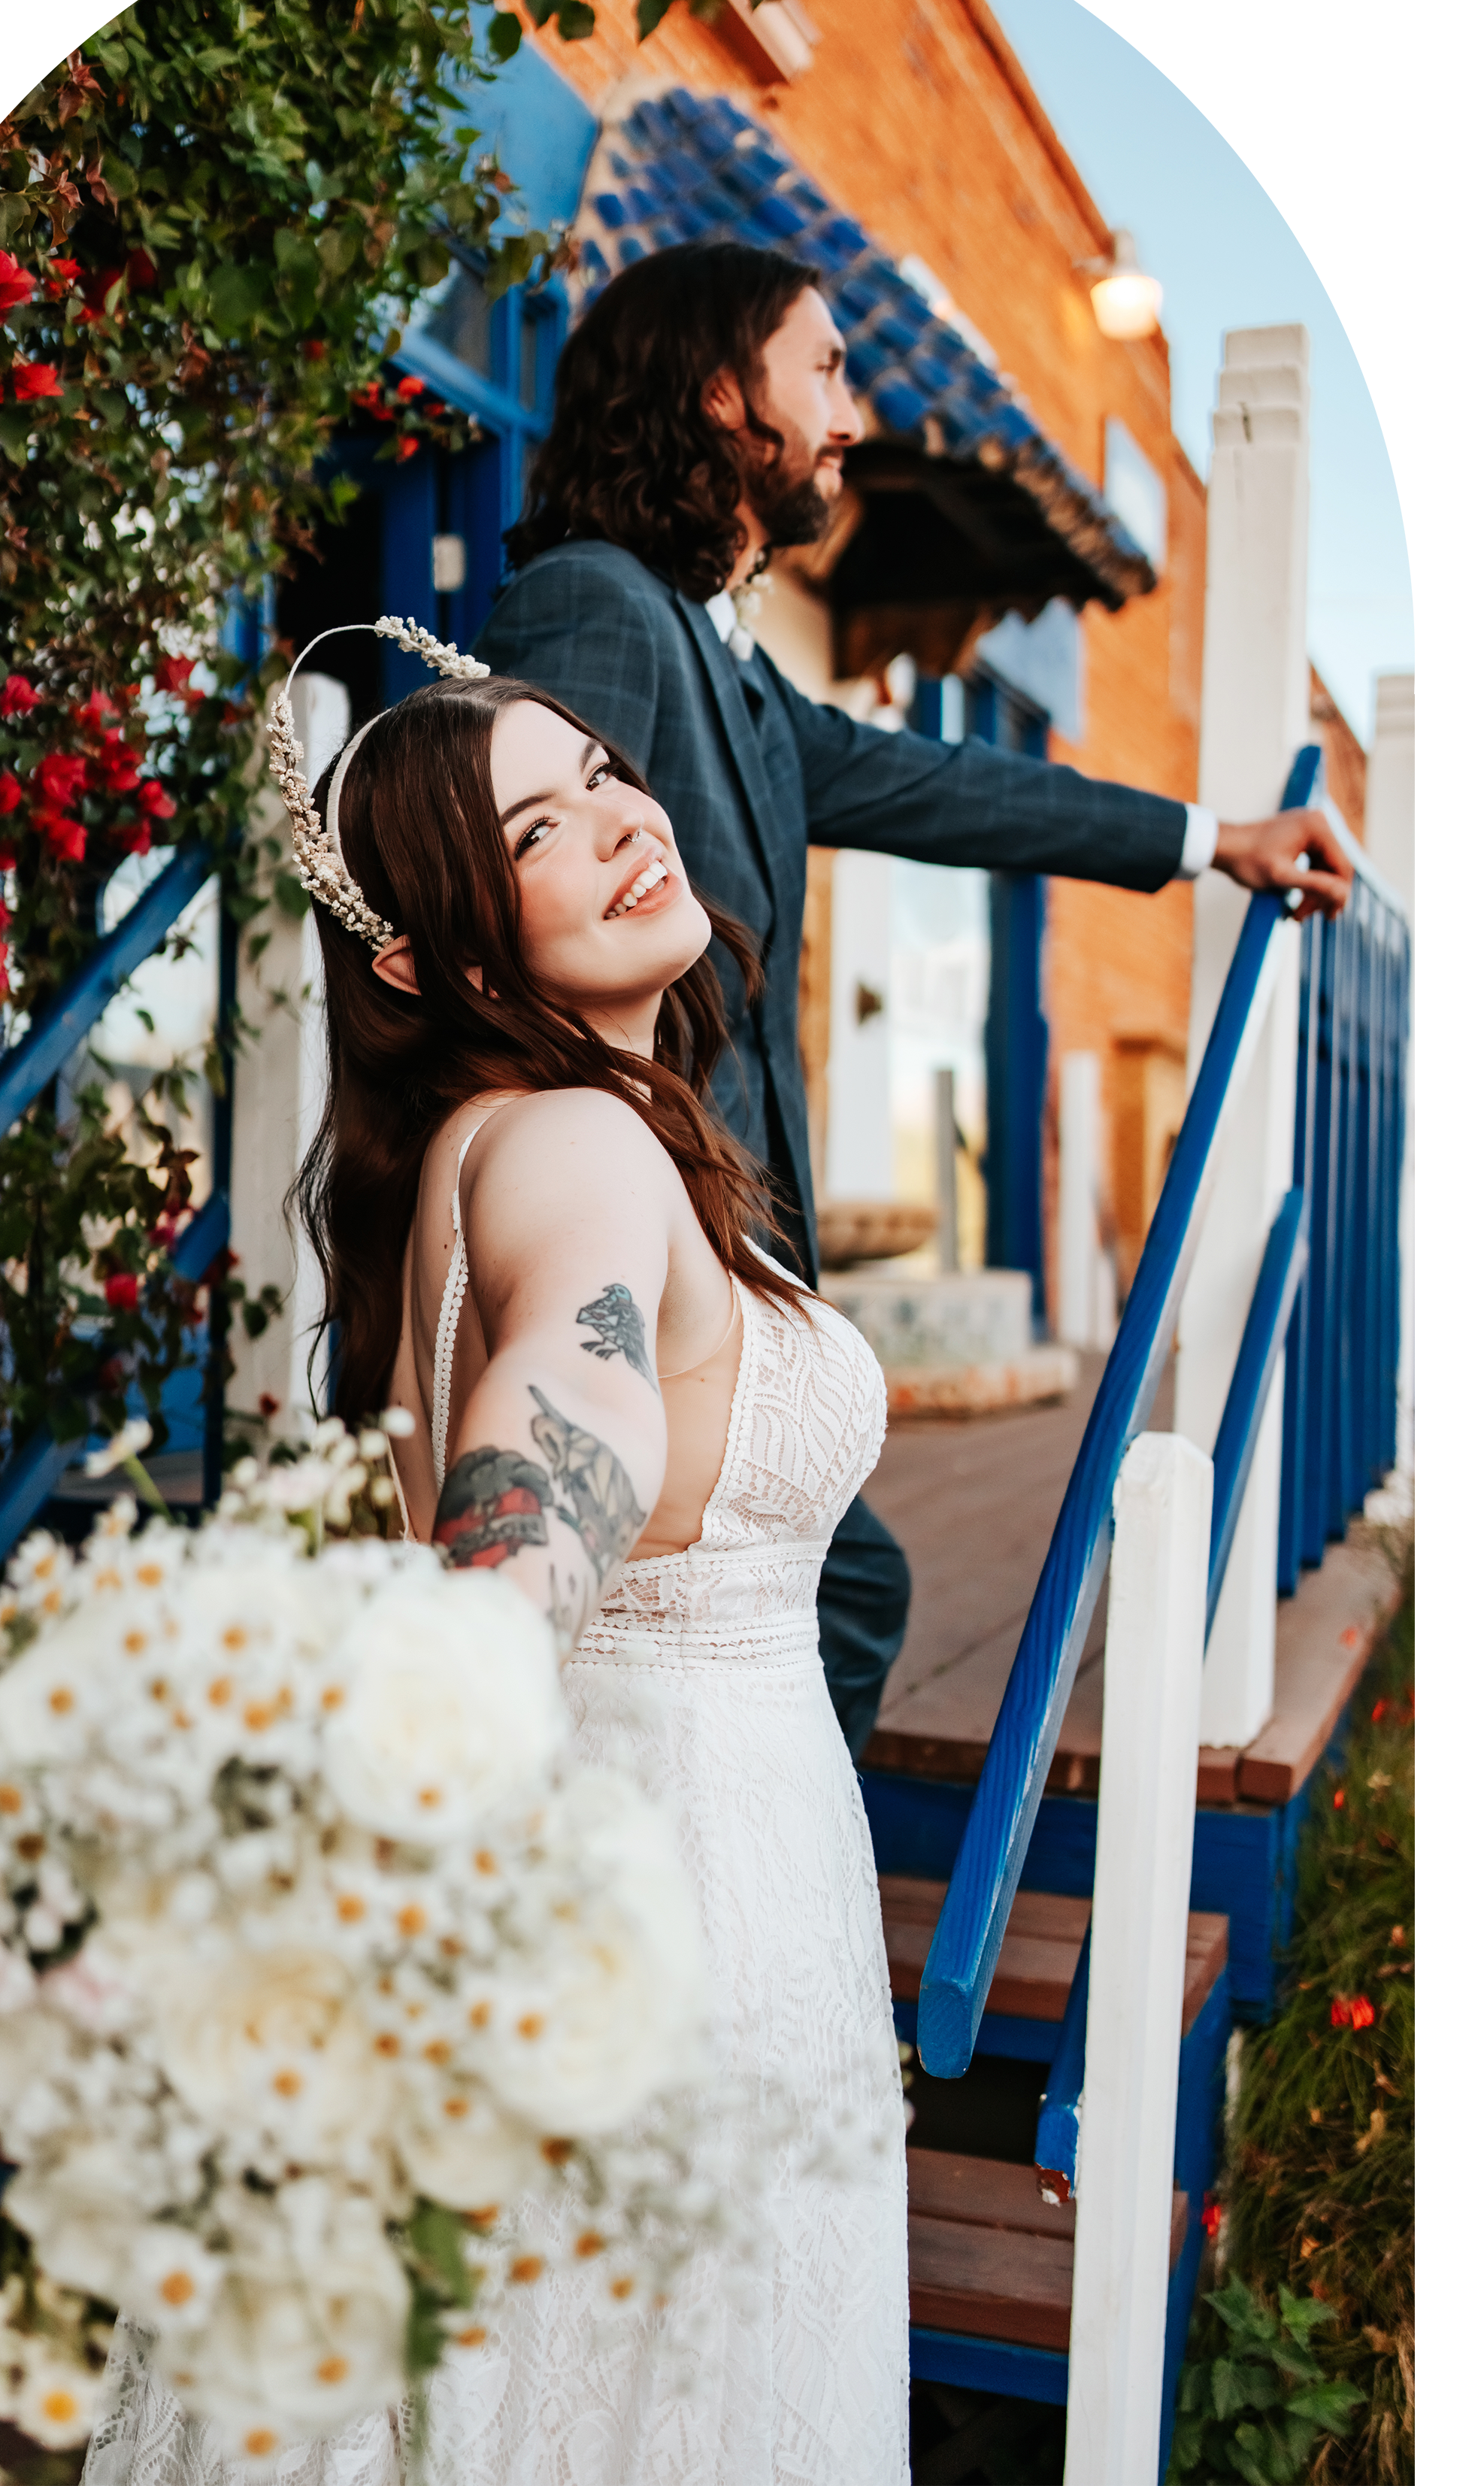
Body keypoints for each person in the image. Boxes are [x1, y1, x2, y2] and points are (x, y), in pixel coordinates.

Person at [83, 650, 909, 2484]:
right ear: (430, 957)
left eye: (605, 771)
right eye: (539, 827)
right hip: (681, 1915)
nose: (623, 818)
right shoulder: (579, 1151)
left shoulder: (463, 1155)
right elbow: (566, 1412)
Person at [472, 240, 1353, 1758]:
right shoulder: (593, 611)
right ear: (715, 400)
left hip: (715, 1244)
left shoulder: (724, 665)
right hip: (640, 1247)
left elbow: (944, 785)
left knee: (802, 1597)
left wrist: (1212, 843)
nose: (852, 414)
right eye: (821, 369)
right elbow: (517, 918)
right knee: (826, 1594)